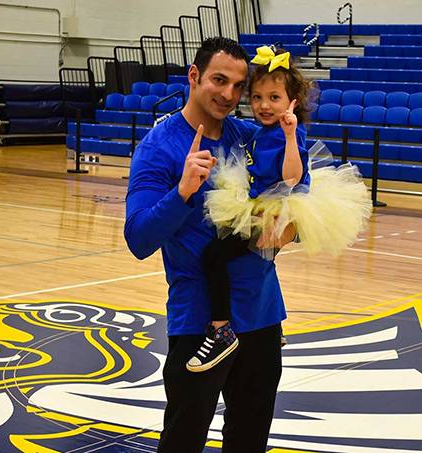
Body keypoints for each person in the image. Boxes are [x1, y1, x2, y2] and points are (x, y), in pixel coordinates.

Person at [124, 37, 293, 453]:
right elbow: (139, 238)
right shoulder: (158, 147)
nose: (229, 95)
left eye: (238, 86)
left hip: (262, 315)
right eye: (219, 80)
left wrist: (290, 231)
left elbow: (297, 199)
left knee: (250, 439)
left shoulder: (252, 137)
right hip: (199, 323)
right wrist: (181, 192)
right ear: (194, 76)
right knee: (183, 440)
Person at [188, 45, 372, 372]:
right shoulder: (261, 132)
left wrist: (289, 137)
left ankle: (221, 329)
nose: (264, 105)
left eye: (274, 98)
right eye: (257, 97)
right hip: (258, 200)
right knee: (254, 263)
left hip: (275, 206)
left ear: (292, 102)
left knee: (214, 256)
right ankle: (274, 328)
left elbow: (292, 176)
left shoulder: (289, 132)